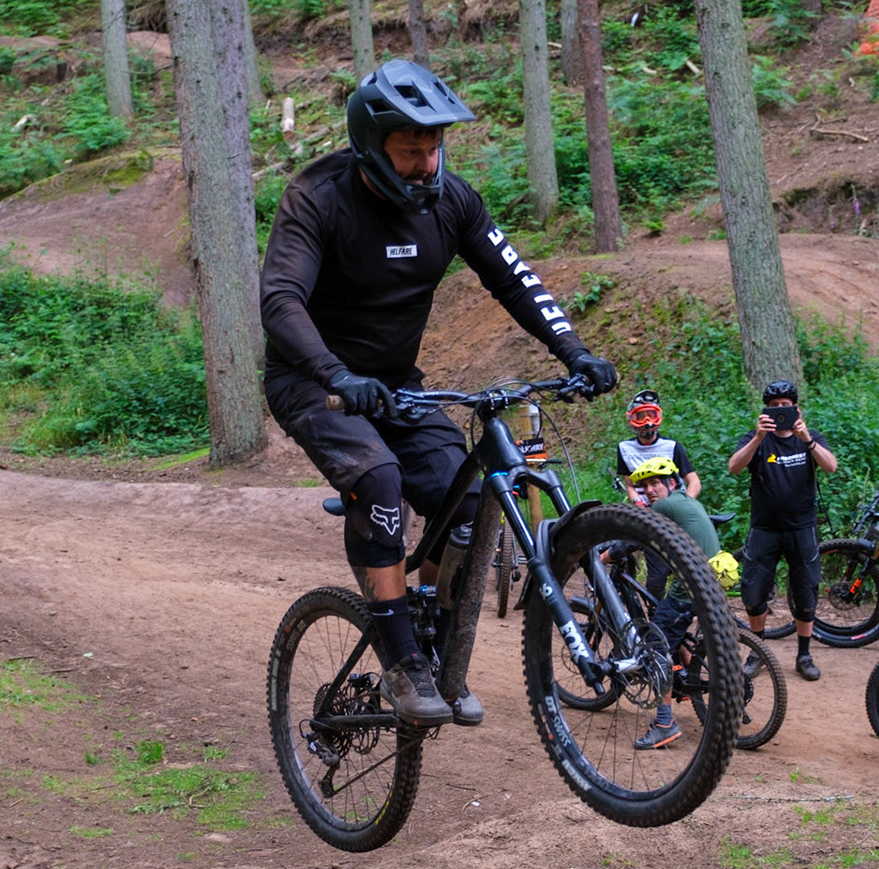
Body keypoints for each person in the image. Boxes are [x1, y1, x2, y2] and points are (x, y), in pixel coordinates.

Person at [259, 60, 619, 731]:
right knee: (379, 478)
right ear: (371, 145)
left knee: (475, 500)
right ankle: (402, 662)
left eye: (433, 148)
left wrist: (574, 351)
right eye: (410, 151)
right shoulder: (318, 197)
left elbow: (515, 279)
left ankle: (437, 640)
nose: (426, 165)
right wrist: (336, 375)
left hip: (397, 387)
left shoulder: (454, 201)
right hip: (314, 383)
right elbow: (281, 300)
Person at [726, 379, 836, 681]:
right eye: (773, 407)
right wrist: (758, 438)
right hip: (765, 529)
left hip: (802, 529)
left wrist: (807, 439)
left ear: (796, 408)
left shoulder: (810, 437)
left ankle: (804, 655)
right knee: (754, 593)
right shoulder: (756, 438)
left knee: (805, 592)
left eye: (785, 406)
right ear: (765, 411)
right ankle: (757, 652)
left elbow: (831, 466)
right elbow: (734, 467)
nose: (779, 411)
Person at [625, 459, 720, 749]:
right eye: (644, 486)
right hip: (711, 581)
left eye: (656, 483)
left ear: (672, 483)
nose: (649, 490)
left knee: (655, 647)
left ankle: (665, 724)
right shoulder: (686, 502)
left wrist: (607, 555)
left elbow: (637, 534)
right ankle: (690, 680)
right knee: (673, 631)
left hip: (688, 588)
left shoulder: (665, 506)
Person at [616, 390, 701, 503]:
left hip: (673, 504)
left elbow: (694, 482)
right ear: (632, 418)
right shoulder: (625, 448)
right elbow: (630, 485)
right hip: (643, 509)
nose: (648, 421)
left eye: (652, 415)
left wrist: (684, 504)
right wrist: (638, 502)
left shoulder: (671, 446)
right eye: (641, 416)